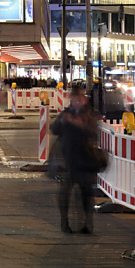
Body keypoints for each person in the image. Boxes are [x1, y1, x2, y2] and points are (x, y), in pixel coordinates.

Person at [50, 86, 100, 234]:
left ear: (84, 100)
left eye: (79, 99)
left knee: (86, 192)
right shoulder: (66, 113)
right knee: (65, 192)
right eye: (74, 99)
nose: (77, 101)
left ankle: (87, 223)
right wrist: (63, 121)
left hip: (84, 159)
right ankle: (64, 223)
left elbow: (94, 133)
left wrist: (80, 125)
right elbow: (54, 129)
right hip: (67, 159)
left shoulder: (90, 114)